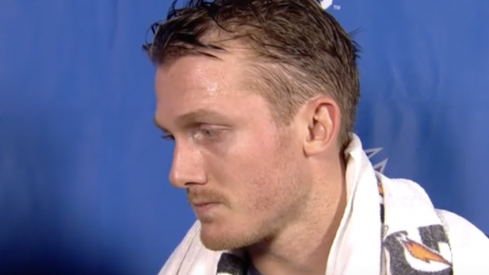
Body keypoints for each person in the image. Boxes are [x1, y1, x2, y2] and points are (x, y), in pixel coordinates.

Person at [143, 0, 489, 274]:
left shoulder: (469, 264)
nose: (179, 174)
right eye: (172, 137)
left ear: (316, 127)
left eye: (209, 132)